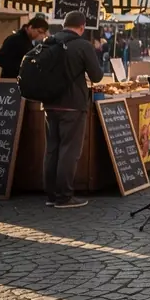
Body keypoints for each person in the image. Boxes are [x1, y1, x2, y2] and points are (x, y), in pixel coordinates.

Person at [43, 11, 104, 209]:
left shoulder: (48, 42)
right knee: (69, 150)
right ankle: (64, 196)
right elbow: (96, 76)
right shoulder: (83, 45)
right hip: (73, 105)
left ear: (64, 24)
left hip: (49, 103)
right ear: (82, 26)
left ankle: (51, 195)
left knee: (52, 149)